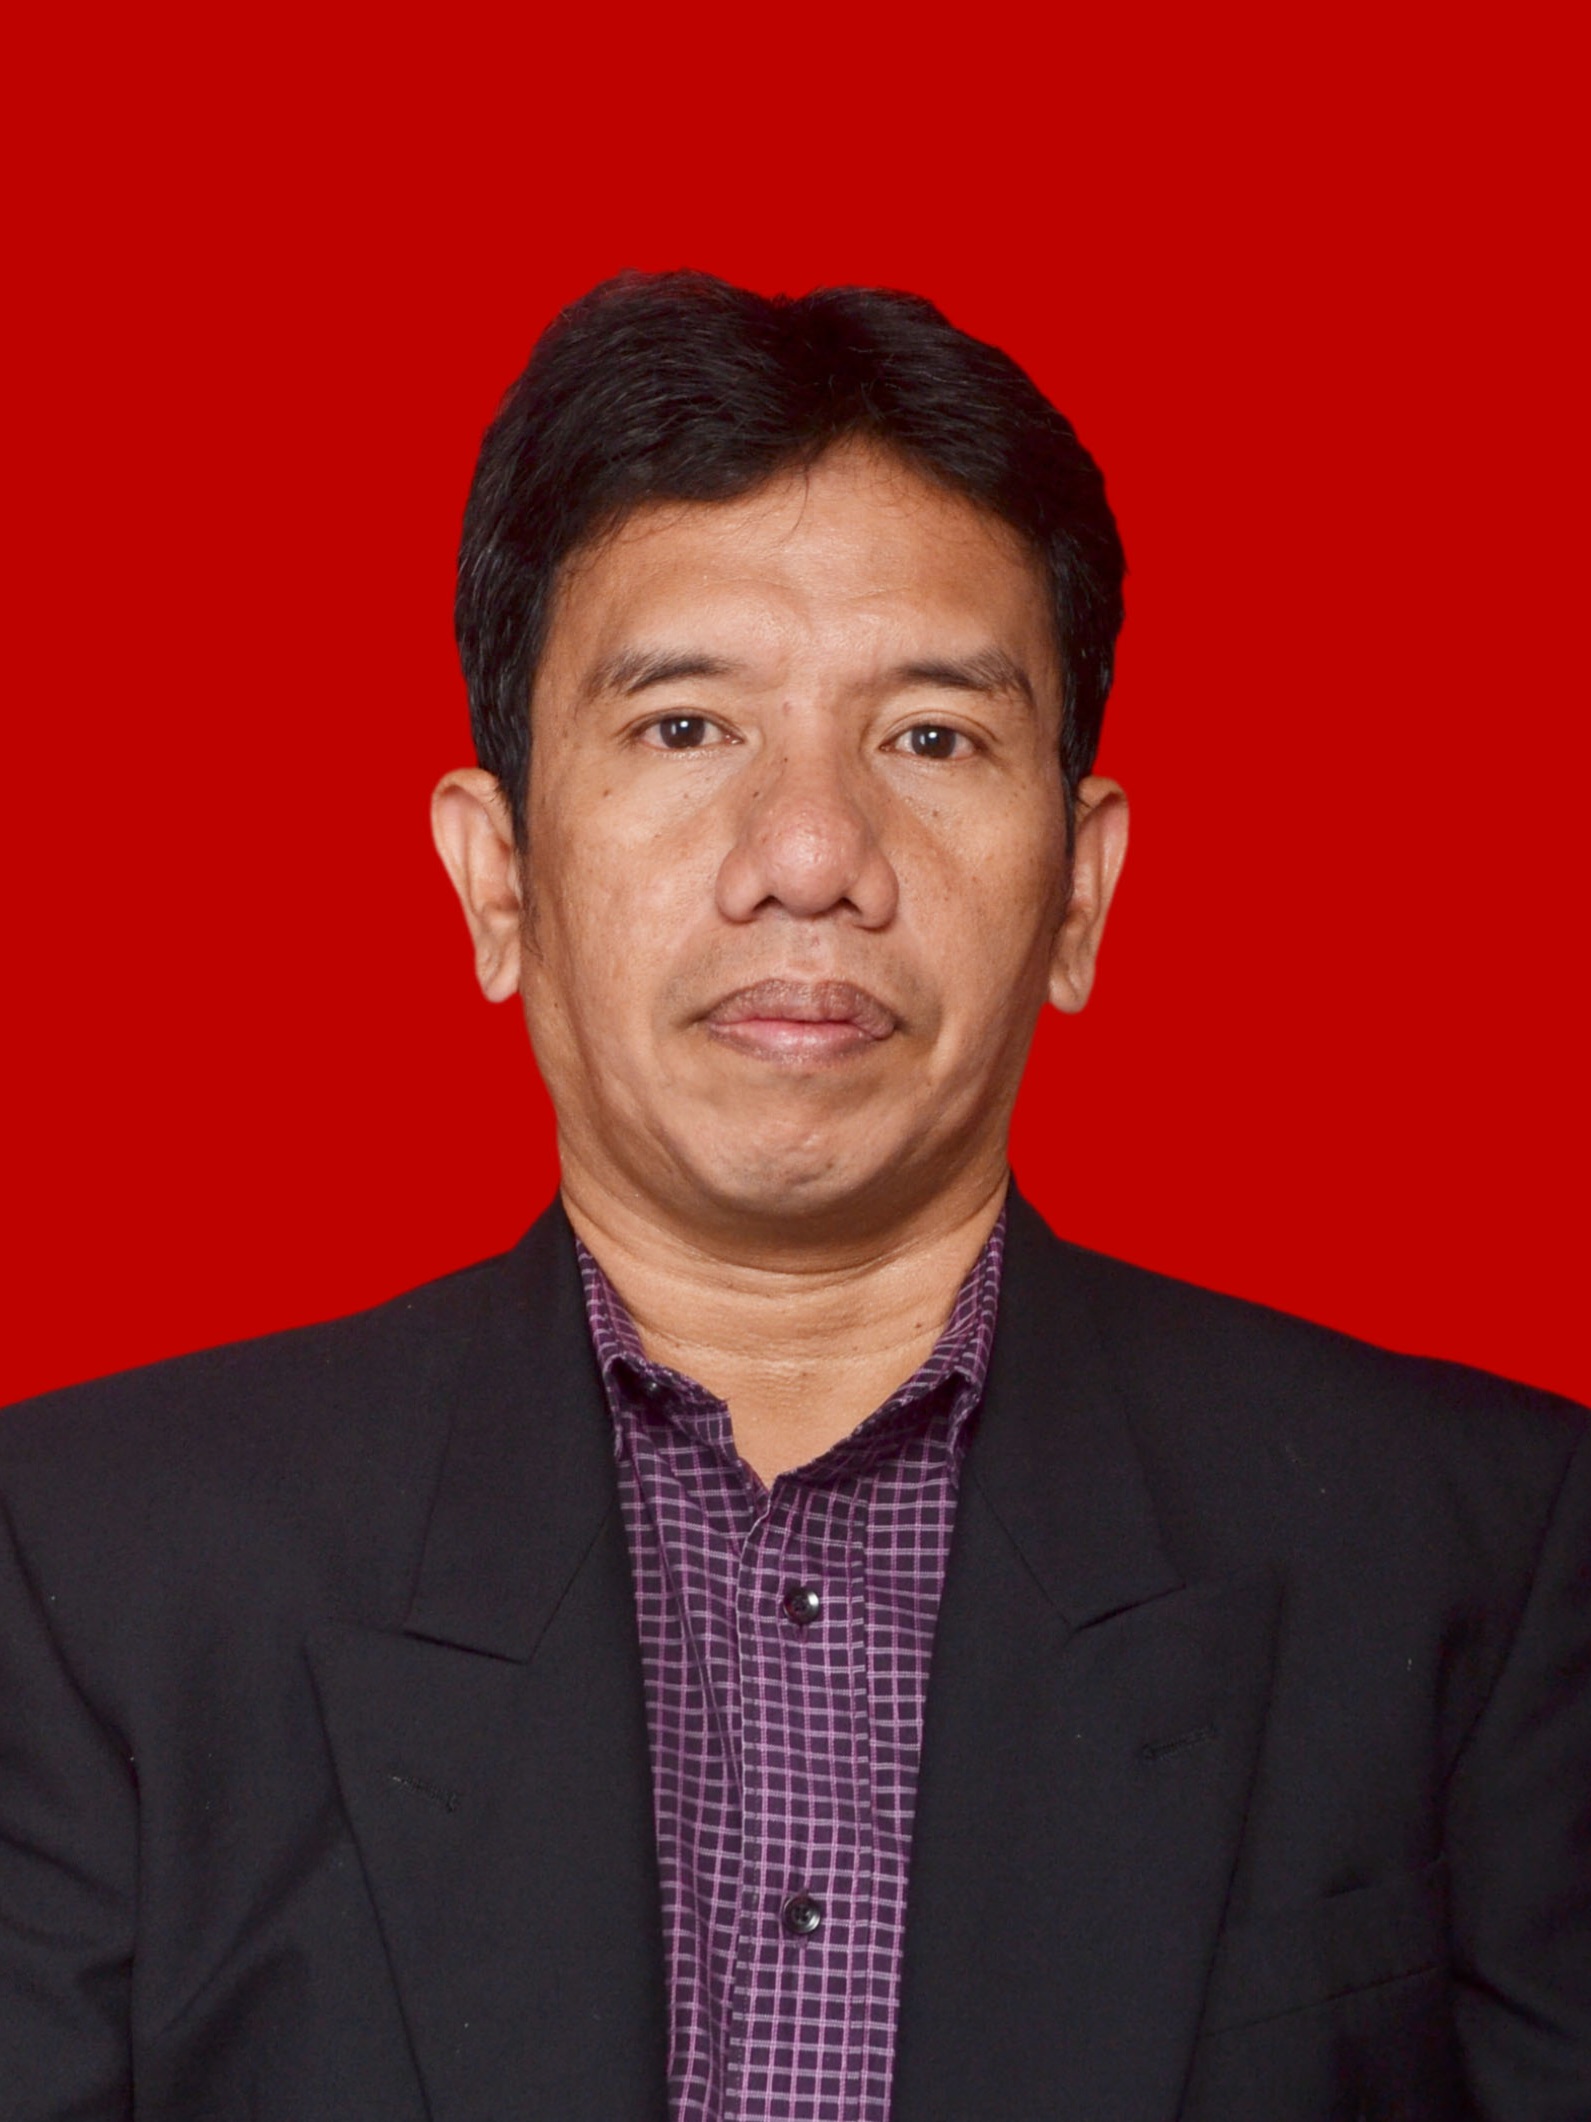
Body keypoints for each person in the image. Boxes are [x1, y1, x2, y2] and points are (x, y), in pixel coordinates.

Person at [1, 270, 1586, 2122]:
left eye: (932, 736)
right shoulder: (92, 1569)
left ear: (1081, 891)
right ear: (496, 876)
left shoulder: (1473, 1550)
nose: (812, 854)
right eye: (686, 727)